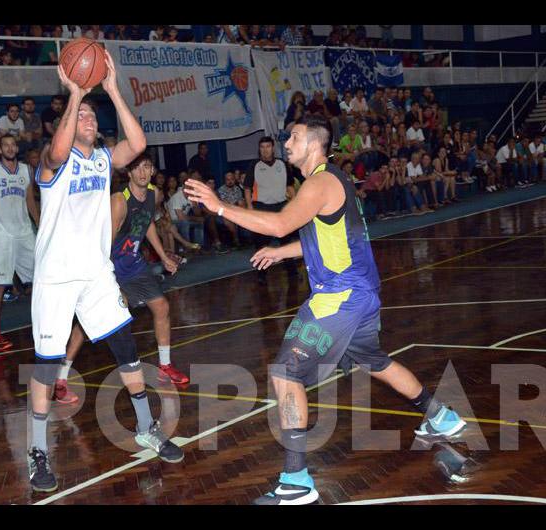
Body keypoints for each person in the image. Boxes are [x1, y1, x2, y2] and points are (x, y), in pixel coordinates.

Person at [184, 115, 466, 505]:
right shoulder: (327, 181)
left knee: (287, 373)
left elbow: (281, 222)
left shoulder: (318, 182)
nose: (286, 143)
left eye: (294, 137)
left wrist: (218, 207)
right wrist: (282, 252)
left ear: (315, 144)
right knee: (374, 362)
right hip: (361, 293)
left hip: (340, 296)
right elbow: (319, 238)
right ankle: (440, 417)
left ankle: (296, 481)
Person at [27, 53, 184, 493]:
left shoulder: (101, 161)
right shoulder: (51, 160)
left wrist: (112, 88)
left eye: (94, 117)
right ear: (69, 120)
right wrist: (76, 93)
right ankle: (37, 450)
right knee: (45, 366)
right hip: (56, 277)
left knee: (128, 350)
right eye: (84, 116)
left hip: (96, 274)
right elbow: (58, 150)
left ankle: (146, 427)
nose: (90, 121)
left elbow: (137, 144)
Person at [57, 153, 185, 405]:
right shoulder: (119, 200)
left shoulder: (154, 194)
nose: (142, 172)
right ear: (128, 173)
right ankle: (61, 379)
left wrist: (163, 256)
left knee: (162, 307)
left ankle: (165, 366)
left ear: (152, 171)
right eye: (136, 168)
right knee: (89, 322)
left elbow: (146, 223)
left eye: (146, 167)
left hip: (134, 264)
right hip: (110, 265)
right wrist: (98, 276)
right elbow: (105, 239)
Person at [0, 134, 39, 352]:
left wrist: (40, 225)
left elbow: (30, 201)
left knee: (41, 281)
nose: (10, 148)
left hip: (24, 233)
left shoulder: (26, 170)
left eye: (13, 145)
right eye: (6, 145)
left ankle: (44, 327)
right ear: (0, 150)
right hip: (2, 234)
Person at [244, 136, 297, 284]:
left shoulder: (282, 164)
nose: (265, 150)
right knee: (261, 244)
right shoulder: (254, 165)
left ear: (273, 148)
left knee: (286, 241)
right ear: (259, 149)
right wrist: (249, 208)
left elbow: (290, 186)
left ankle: (292, 272)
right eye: (262, 147)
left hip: (281, 207)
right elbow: (247, 188)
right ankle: (261, 275)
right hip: (262, 208)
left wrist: (294, 203)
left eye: (268, 146)